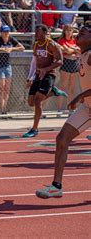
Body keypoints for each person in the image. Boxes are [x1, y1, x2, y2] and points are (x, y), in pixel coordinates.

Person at [35, 23, 91, 198]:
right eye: (79, 30)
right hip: (88, 106)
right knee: (62, 139)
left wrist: (78, 96)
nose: (79, 32)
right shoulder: (82, 55)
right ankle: (56, 186)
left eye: (84, 31)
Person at [23, 24, 68, 138]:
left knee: (38, 101)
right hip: (38, 75)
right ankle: (53, 92)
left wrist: (45, 69)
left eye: (38, 32)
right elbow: (34, 62)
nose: (36, 34)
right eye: (35, 32)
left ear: (44, 32)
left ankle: (34, 129)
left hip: (49, 75)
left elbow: (60, 61)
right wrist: (30, 77)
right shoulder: (36, 44)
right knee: (31, 102)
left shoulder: (52, 44)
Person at [0, 25, 25, 115]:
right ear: (1, 33)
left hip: (7, 65)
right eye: (4, 32)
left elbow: (22, 48)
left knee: (7, 88)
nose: (6, 34)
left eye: (7, 32)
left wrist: (11, 48)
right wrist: (1, 49)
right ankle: (2, 109)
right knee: (2, 88)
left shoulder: (11, 39)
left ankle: (4, 108)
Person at [57, 25, 81, 110]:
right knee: (63, 87)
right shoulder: (61, 40)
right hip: (66, 63)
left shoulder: (74, 40)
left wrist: (71, 49)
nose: (69, 32)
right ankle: (59, 109)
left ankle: (70, 109)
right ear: (64, 31)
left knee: (72, 89)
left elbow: (79, 51)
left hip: (74, 63)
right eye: (67, 30)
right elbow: (67, 51)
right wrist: (73, 49)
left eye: (71, 30)